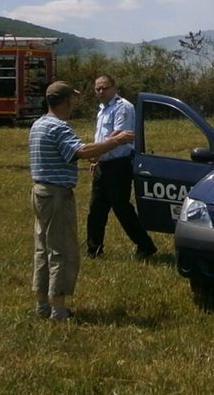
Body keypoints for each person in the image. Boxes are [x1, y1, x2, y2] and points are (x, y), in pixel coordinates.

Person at [29, 80, 132, 321]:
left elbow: (70, 153)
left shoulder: (38, 124)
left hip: (40, 193)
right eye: (72, 99)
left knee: (43, 249)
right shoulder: (58, 127)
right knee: (62, 250)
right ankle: (58, 309)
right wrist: (117, 140)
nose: (73, 104)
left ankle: (42, 304)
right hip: (56, 196)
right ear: (65, 102)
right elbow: (82, 152)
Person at [86, 74, 158, 259]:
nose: (101, 92)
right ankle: (94, 250)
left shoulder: (123, 107)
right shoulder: (102, 110)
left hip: (119, 165)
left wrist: (96, 153)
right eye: (97, 89)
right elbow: (102, 137)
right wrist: (98, 159)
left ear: (114, 88)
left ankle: (146, 246)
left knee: (121, 208)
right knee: (96, 208)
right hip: (103, 164)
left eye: (104, 88)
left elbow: (119, 135)